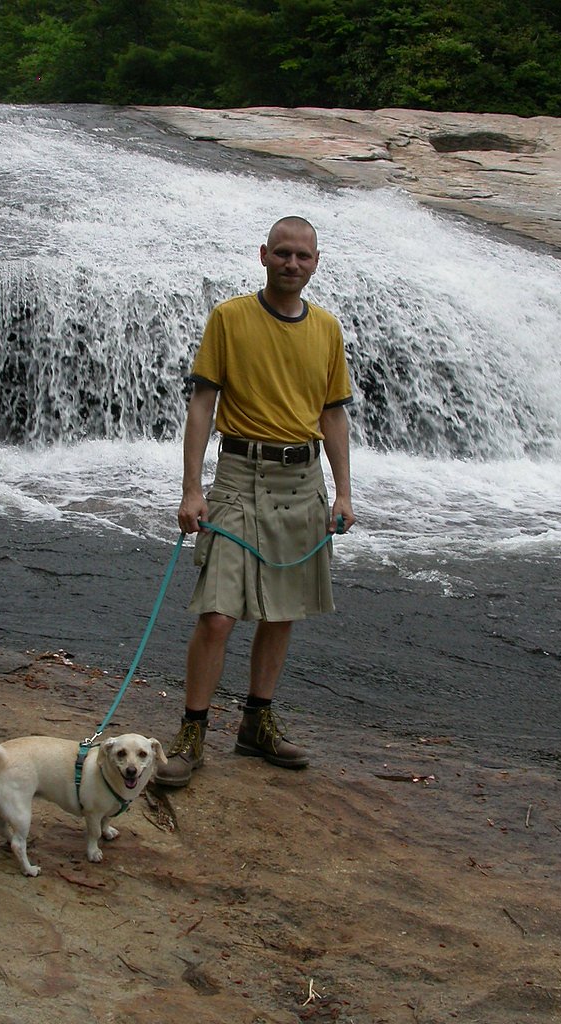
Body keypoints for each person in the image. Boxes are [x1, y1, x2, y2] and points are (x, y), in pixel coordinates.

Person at [155, 215, 355, 788]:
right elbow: (202, 404)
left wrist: (343, 492)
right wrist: (192, 488)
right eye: (284, 253)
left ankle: (256, 724)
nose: (293, 264)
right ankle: (192, 731)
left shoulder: (328, 330)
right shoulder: (230, 317)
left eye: (304, 256)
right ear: (264, 255)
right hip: (239, 476)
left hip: (302, 482)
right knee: (218, 616)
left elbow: (333, 413)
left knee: (282, 610)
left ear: (316, 263)